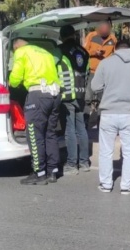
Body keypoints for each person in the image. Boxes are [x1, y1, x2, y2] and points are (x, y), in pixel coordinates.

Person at [91, 41, 130, 195]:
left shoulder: (106, 63)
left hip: (108, 113)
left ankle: (106, 184)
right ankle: (126, 186)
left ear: (115, 50)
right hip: (129, 113)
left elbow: (95, 86)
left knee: (106, 151)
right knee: (129, 151)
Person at [8, 38, 62, 185]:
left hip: (37, 96)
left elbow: (15, 78)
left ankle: (39, 173)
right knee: (50, 133)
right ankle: (53, 171)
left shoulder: (21, 52)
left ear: (16, 46)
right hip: (55, 95)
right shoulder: (46, 53)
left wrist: (10, 82)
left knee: (34, 134)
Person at [56, 25, 91, 175]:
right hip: (81, 94)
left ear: (62, 36)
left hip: (67, 95)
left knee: (69, 130)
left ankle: (71, 164)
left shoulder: (60, 50)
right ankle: (84, 163)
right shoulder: (84, 51)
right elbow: (88, 73)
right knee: (81, 128)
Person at [84, 21, 117, 111]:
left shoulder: (113, 39)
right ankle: (86, 118)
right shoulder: (91, 36)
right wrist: (94, 53)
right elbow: (84, 51)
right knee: (88, 96)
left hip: (106, 73)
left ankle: (101, 119)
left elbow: (116, 53)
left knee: (103, 99)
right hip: (93, 71)